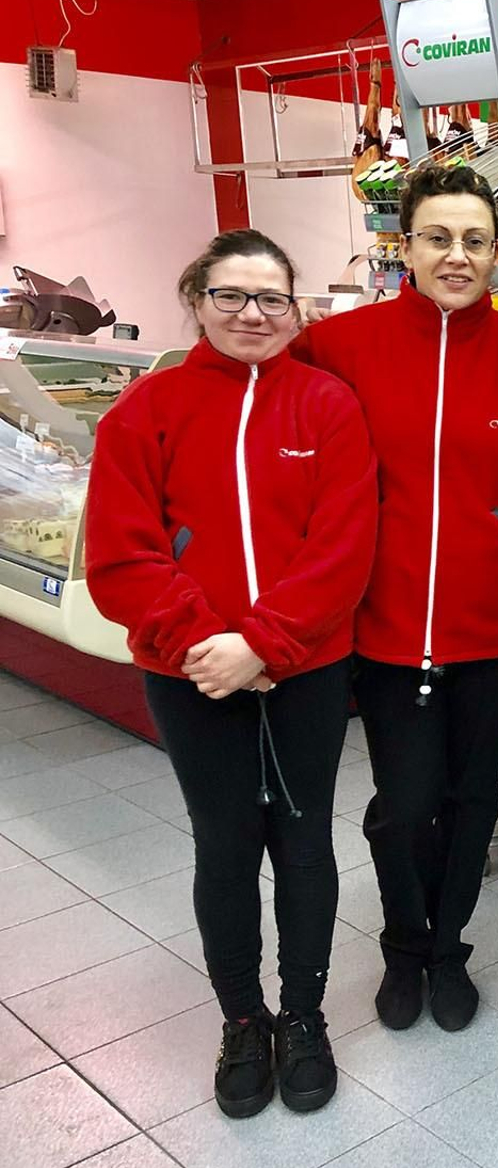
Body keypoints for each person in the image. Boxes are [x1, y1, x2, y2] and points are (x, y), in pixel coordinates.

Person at [85, 230, 378, 1118]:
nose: (253, 314)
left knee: (302, 841)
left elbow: (343, 546)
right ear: (197, 299)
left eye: (271, 299)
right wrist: (208, 644)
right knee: (225, 844)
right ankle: (243, 1020)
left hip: (309, 670)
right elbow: (122, 557)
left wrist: (266, 644)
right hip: (190, 675)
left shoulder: (327, 405)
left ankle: (305, 1016)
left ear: (296, 309)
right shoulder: (145, 411)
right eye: (231, 297)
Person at [293, 164, 498, 1034]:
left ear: (494, 252)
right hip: (383, 624)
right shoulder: (342, 346)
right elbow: (260, 412)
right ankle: (403, 944)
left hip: (495, 625)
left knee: (473, 802)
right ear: (405, 246)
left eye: (475, 240)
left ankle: (447, 950)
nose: (457, 255)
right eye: (438, 238)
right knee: (403, 806)